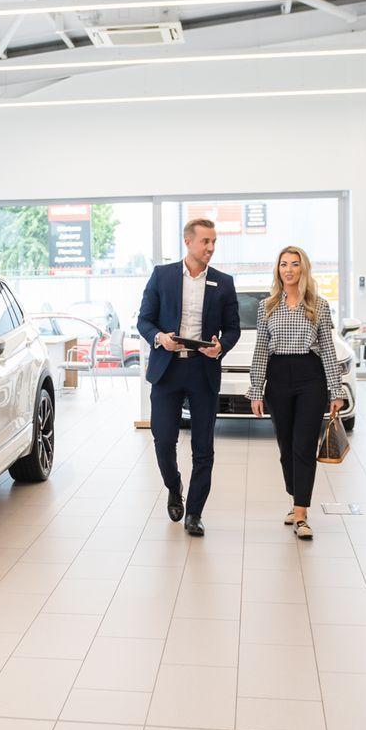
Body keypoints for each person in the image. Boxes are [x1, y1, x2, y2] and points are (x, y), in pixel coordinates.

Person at [136, 218, 241, 537]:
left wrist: (221, 346)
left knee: (203, 446)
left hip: (202, 370)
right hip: (167, 369)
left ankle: (194, 512)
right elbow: (144, 320)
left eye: (214, 242)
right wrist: (160, 338)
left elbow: (233, 328)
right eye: (205, 241)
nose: (211, 247)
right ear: (188, 241)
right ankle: (174, 485)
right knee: (163, 439)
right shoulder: (162, 275)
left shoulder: (224, 283)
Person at [247, 246, 343, 539]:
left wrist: (336, 390)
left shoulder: (319, 305)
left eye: (294, 264)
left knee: (304, 447)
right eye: (283, 264)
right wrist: (256, 389)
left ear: (304, 269)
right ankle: (295, 497)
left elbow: (328, 349)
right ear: (278, 270)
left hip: (310, 378)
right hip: (278, 378)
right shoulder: (267, 306)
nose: (288, 269)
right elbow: (261, 349)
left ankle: (301, 514)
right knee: (285, 448)